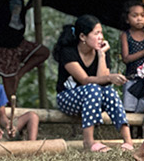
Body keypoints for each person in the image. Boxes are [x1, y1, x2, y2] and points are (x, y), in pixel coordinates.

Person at [52, 15, 135, 151]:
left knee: (109, 91)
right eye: (96, 33)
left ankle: (128, 142)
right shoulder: (68, 53)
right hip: (67, 98)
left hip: (94, 99)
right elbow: (85, 80)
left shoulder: (101, 51)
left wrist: (102, 55)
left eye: (101, 32)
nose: (101, 37)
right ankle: (89, 142)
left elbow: (102, 80)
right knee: (92, 89)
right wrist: (109, 78)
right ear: (83, 37)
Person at [119, 0, 144, 113]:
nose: (139, 18)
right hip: (131, 79)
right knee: (129, 111)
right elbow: (126, 58)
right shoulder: (125, 35)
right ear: (127, 19)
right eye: (135, 15)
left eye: (142, 15)